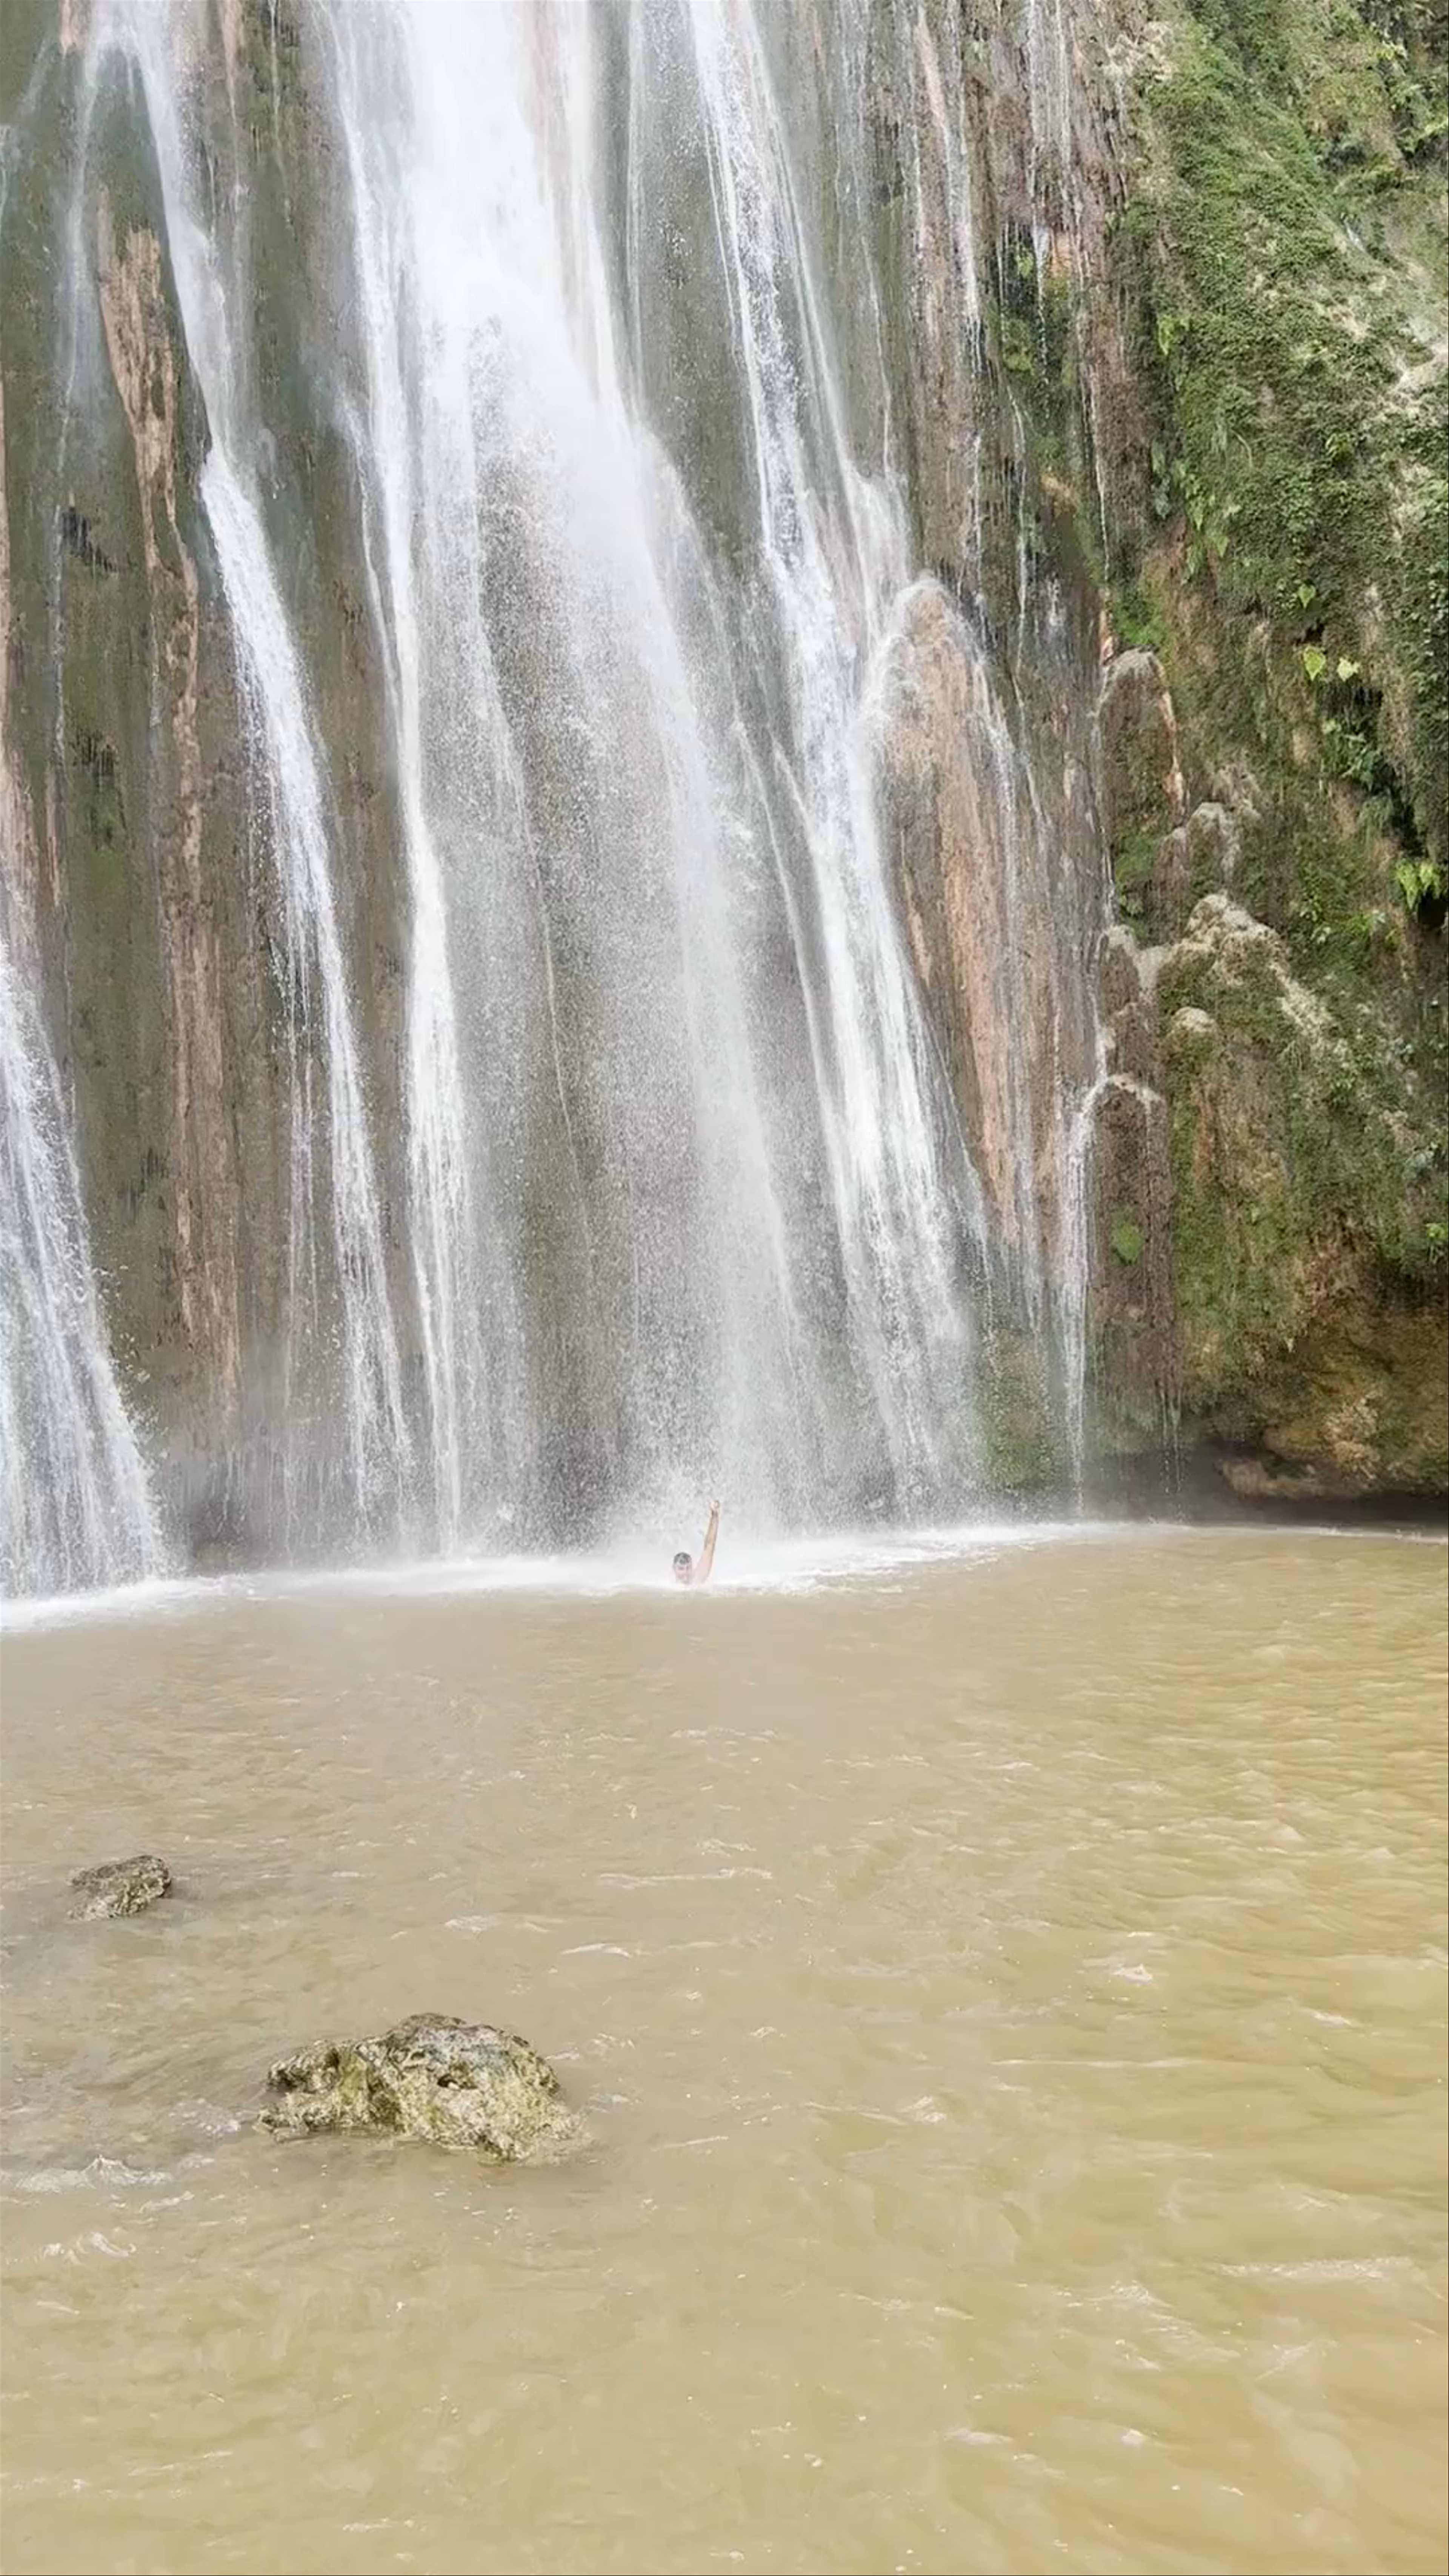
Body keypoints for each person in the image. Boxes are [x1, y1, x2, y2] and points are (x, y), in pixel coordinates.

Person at [672, 1500, 720, 1587]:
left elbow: (710, 1546)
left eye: (688, 1568)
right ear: (674, 1569)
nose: (685, 1573)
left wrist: (715, 1516)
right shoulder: (667, 1585)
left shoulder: (698, 1579)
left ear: (692, 1568)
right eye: (681, 1569)